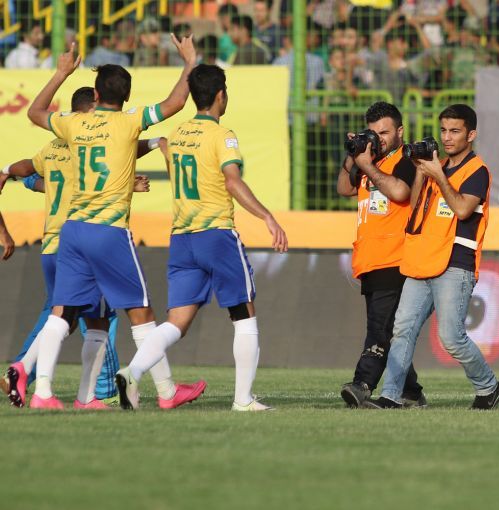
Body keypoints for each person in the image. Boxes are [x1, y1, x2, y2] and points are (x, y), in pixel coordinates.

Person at [23, 37, 205, 410]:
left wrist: (60, 74)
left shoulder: (74, 123)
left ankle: (42, 393)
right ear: (127, 95)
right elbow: (175, 103)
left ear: (95, 93)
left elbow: (35, 112)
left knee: (62, 313)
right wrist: (189, 62)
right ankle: (167, 391)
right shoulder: (130, 121)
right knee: (142, 313)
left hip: (72, 229)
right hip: (108, 231)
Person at [114, 64, 289, 412]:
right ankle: (243, 400)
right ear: (221, 95)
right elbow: (232, 181)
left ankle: (132, 371)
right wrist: (267, 216)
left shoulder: (177, 133)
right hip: (216, 234)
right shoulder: (222, 135)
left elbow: (172, 166)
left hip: (182, 238)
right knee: (244, 314)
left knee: (177, 321)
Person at [0, 88, 163, 409]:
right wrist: (136, 173)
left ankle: (26, 372)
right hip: (81, 242)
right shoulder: (86, 147)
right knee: (97, 318)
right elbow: (113, 161)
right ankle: (94, 389)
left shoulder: (52, 149)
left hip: (53, 245)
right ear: (88, 112)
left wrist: (7, 171)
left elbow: (31, 174)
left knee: (62, 315)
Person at [367, 104, 499, 410]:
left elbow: (462, 209)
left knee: (452, 338)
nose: (447, 137)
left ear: (471, 135)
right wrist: (420, 171)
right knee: (402, 330)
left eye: (455, 131)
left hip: (455, 262)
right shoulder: (434, 166)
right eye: (443, 130)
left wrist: (439, 175)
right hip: (421, 260)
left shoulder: (477, 171)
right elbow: (416, 206)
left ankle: (489, 387)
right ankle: (390, 396)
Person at [336, 102, 425, 408]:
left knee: (379, 328)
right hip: (370, 259)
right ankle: (411, 391)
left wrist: (368, 165)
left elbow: (400, 192)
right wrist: (354, 155)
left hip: (395, 258)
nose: (378, 139)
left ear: (400, 131)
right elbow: (344, 188)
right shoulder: (369, 161)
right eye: (372, 133)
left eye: (384, 133)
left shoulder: (406, 159)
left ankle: (362, 383)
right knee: (388, 331)